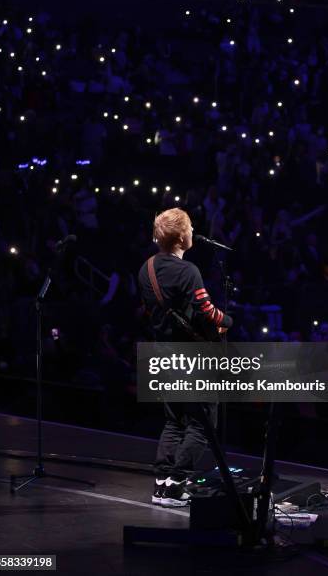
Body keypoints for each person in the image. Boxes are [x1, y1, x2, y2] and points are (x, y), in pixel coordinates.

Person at [138, 208, 232, 507]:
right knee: (202, 423)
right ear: (181, 236)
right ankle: (178, 484)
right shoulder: (188, 271)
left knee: (174, 420)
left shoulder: (146, 268)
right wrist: (226, 320)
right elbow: (206, 310)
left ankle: (162, 484)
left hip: (163, 354)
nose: (193, 231)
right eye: (190, 227)